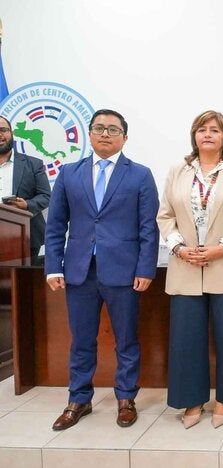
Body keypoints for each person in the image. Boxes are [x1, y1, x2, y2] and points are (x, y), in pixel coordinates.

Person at [45, 109, 159, 430]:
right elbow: (55, 225)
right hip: (80, 271)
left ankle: (126, 398)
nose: (105, 134)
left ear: (125, 136)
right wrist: (54, 266)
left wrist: (145, 268)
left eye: (112, 129)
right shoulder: (69, 174)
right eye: (99, 128)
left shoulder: (139, 175)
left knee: (126, 339)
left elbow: (148, 228)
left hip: (124, 272)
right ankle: (78, 399)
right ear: (90, 134)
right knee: (81, 339)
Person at [157, 110, 223, 429]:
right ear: (194, 136)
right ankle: (192, 401)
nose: (208, 134)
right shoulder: (178, 171)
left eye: (215, 130)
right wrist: (178, 247)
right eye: (202, 129)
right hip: (185, 265)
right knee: (186, 339)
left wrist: (221, 247)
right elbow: (165, 215)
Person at [0, 115, 51, 264]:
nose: (0, 134)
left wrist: (26, 205)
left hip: (26, 236)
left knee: (24, 285)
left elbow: (46, 196)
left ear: (12, 133)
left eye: (3, 130)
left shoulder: (33, 164)